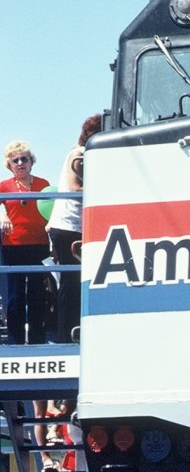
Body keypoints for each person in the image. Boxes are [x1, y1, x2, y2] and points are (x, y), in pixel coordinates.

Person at [47, 114, 102, 342]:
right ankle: (65, 334)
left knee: (77, 281)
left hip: (77, 226)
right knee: (69, 283)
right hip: (68, 226)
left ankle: (74, 329)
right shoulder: (78, 154)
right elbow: (74, 187)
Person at [0, 141, 52, 344]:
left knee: (38, 295)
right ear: (9, 165)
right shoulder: (4, 186)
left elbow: (52, 210)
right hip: (13, 247)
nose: (20, 163)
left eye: (24, 159)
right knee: (15, 297)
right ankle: (16, 342)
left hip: (39, 245)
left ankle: (38, 341)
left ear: (32, 162)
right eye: (15, 160)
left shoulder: (43, 184)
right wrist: (2, 213)